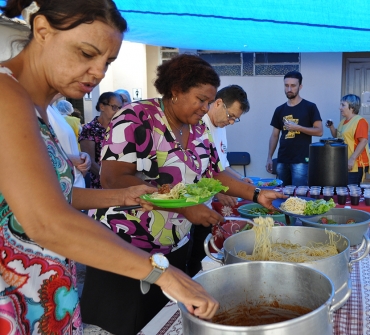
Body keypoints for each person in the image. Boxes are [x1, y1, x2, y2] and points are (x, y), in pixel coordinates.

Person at [0, 0, 220, 333]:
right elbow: (46, 222)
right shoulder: (6, 96)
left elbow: (49, 199)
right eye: (87, 53)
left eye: (109, 61)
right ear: (42, 30)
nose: (99, 72)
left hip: (45, 297)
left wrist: (127, 194)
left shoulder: (41, 109)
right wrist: (162, 273)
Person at [81, 54, 284, 334]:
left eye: (209, 102)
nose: (205, 108)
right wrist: (184, 208)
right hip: (129, 243)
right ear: (175, 90)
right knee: (128, 324)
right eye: (200, 99)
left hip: (174, 245)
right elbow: (112, 177)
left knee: (161, 321)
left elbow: (214, 173)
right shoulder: (136, 117)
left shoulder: (198, 128)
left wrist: (257, 193)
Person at [187, 84, 252, 276]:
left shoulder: (220, 127)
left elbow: (221, 167)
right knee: (192, 257)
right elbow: (196, 170)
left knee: (202, 251)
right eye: (231, 116)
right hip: (191, 204)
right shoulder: (200, 125)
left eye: (236, 119)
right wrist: (218, 191)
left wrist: (241, 181)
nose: (231, 122)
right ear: (218, 103)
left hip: (206, 204)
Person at [266, 70, 323, 186]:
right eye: (286, 85)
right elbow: (274, 135)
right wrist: (269, 157)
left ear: (300, 86)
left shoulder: (310, 107)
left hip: (301, 160)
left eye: (293, 86)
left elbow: (319, 131)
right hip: (282, 159)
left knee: (299, 196)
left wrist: (298, 127)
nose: (289, 89)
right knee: (282, 194)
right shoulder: (280, 109)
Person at [79, 91, 122, 188]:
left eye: (120, 108)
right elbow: (90, 161)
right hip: (100, 183)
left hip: (120, 180)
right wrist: (108, 178)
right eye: (114, 107)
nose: (118, 111)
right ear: (102, 107)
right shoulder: (90, 129)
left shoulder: (120, 128)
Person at [47, 94, 90, 188]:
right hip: (59, 188)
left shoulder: (53, 109)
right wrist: (72, 159)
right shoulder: (33, 109)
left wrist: (81, 155)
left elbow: (62, 145)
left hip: (75, 183)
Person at [326, 94, 370, 185]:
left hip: (355, 164)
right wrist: (331, 127)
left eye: (343, 105)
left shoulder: (360, 121)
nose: (340, 108)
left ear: (352, 107)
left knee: (352, 193)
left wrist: (352, 159)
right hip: (344, 162)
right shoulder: (343, 121)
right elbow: (337, 137)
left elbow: (363, 141)